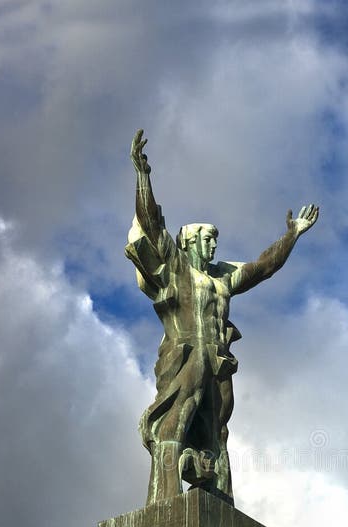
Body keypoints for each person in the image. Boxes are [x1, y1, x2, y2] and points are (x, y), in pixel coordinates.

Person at [126, 129, 319, 505]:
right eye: (207, 240)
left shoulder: (222, 279)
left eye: (215, 240)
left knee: (217, 433)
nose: (214, 245)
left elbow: (264, 267)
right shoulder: (179, 269)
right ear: (191, 243)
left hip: (217, 361)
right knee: (174, 424)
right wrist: (143, 176)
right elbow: (151, 224)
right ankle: (164, 500)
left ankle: (219, 500)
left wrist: (292, 234)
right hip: (184, 355)